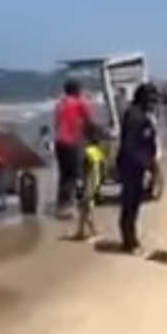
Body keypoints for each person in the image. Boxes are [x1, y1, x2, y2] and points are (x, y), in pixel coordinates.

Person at [116, 83, 159, 252]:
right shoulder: (136, 117)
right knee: (130, 203)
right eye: (152, 100)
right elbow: (131, 145)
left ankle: (130, 239)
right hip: (132, 165)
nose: (154, 103)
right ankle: (129, 242)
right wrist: (146, 166)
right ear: (144, 99)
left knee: (133, 203)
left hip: (135, 164)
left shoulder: (138, 114)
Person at [53, 78, 93, 218]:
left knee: (64, 174)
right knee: (74, 174)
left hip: (59, 142)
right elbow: (89, 122)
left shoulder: (59, 104)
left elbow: (57, 124)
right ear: (77, 90)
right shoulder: (80, 102)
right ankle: (69, 206)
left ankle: (61, 205)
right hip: (72, 142)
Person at [74, 130, 105, 242]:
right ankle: (82, 231)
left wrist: (80, 182)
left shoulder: (87, 152)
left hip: (88, 184)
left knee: (85, 209)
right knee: (84, 209)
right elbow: (102, 169)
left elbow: (83, 170)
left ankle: (91, 231)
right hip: (94, 183)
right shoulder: (98, 152)